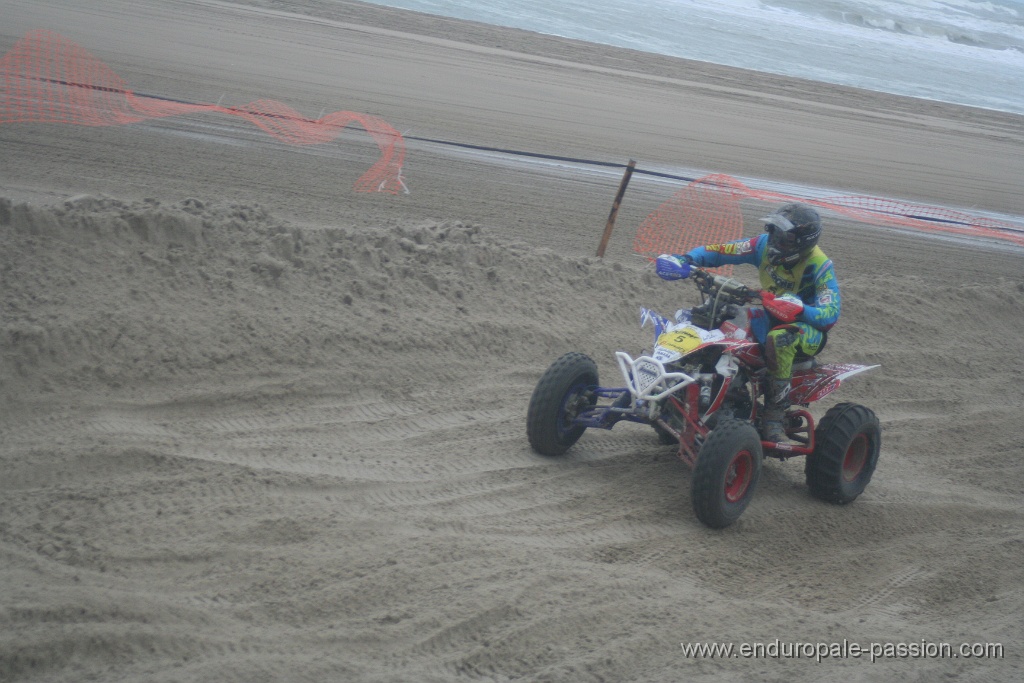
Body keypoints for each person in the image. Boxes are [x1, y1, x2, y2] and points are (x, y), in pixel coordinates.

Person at [654, 203, 841, 442]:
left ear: (803, 242)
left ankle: (775, 411)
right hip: (771, 313)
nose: (775, 241)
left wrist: (801, 309)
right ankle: (686, 384)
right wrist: (687, 259)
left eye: (784, 238)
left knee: (780, 339)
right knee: (720, 315)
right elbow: (721, 251)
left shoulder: (819, 266)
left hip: (806, 329)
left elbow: (830, 314)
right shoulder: (762, 245)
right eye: (773, 232)